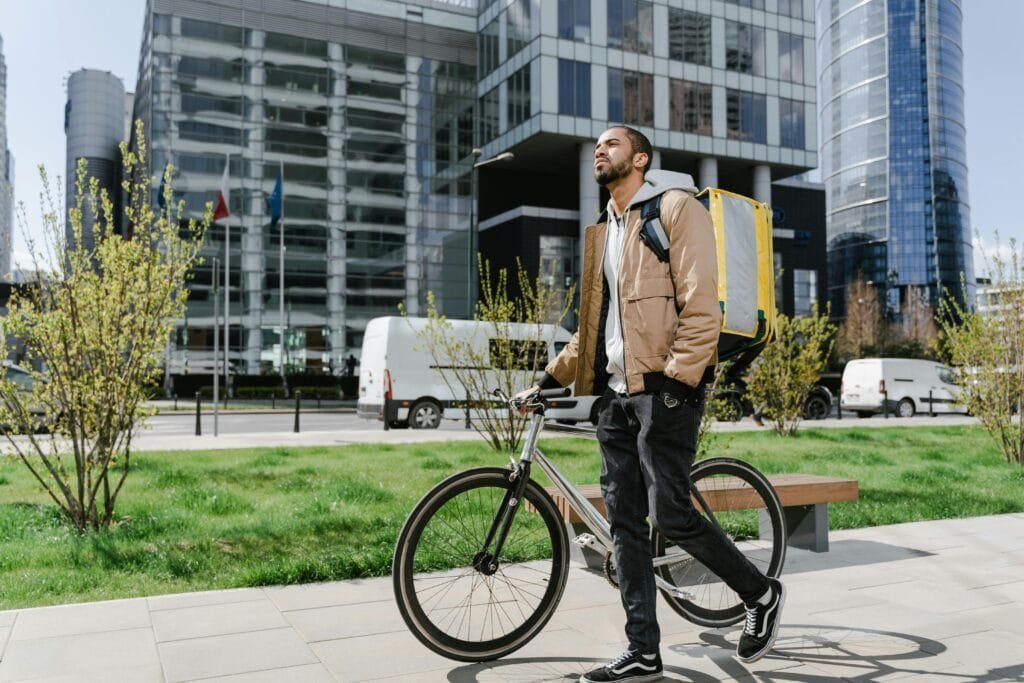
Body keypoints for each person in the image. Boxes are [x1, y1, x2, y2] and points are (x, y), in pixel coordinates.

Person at [518, 126, 784, 682]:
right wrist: (546, 378)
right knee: (625, 527)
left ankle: (759, 594)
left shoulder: (674, 208)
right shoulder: (604, 233)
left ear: (639, 159)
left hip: (665, 389)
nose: (599, 149)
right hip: (617, 395)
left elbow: (701, 303)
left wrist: (678, 381)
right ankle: (643, 651)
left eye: (612, 144)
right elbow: (591, 331)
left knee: (671, 516)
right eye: (596, 144)